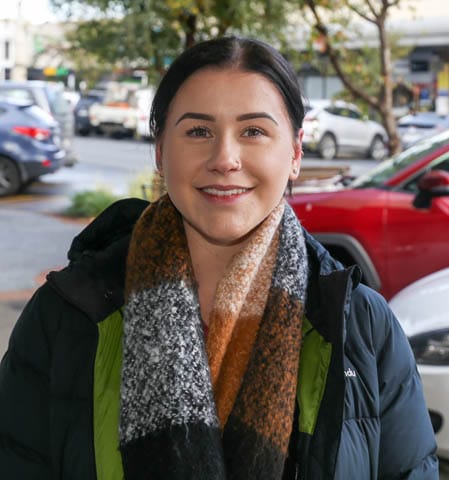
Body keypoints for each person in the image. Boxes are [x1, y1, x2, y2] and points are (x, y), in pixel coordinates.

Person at [0, 36, 438, 480]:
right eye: (198, 131)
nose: (225, 159)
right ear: (160, 151)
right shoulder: (65, 318)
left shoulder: (362, 326)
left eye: (253, 131)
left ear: (295, 152)